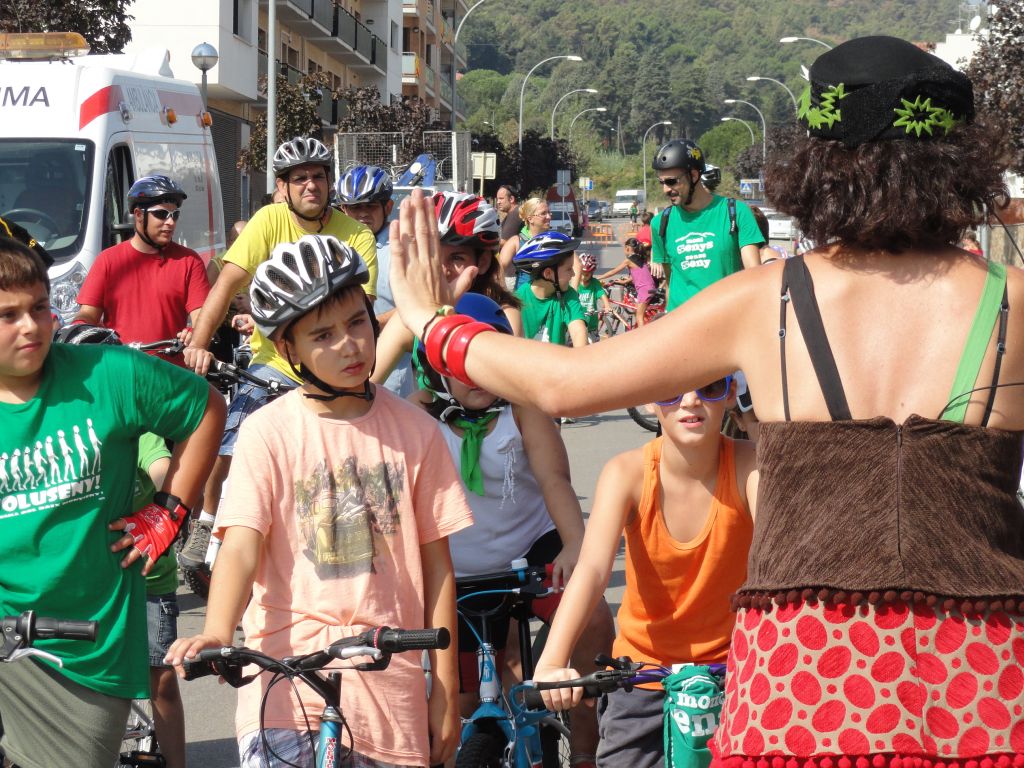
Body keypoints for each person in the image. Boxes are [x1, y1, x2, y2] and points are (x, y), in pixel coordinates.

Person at [386, 34, 1024, 768]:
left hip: (804, 683)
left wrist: (432, 324)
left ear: (819, 163)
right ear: (958, 161)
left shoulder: (771, 299)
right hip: (983, 680)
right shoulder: (1010, 303)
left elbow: (565, 382)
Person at [167, 234, 472, 768]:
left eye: (357, 323)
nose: (349, 345)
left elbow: (438, 568)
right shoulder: (267, 433)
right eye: (323, 335)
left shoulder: (419, 433)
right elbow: (240, 546)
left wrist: (445, 691)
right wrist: (216, 629)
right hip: (286, 685)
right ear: (289, 350)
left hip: (390, 685)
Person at [0, 238, 224, 768]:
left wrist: (168, 511)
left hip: (86, 649)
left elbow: (206, 409)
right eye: (7, 315)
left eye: (38, 307)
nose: (30, 326)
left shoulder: (109, 373)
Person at [411, 293, 614, 766]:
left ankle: (585, 752)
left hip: (532, 547)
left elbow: (554, 480)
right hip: (457, 570)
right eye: (459, 364)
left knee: (593, 620)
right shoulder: (417, 415)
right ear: (436, 369)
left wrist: (575, 545)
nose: (475, 375)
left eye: (482, 360)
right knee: (462, 703)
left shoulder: (522, 408)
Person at [176, 137, 377, 572]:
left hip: (335, 370)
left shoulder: (357, 234)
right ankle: (208, 520)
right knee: (232, 438)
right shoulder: (268, 220)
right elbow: (226, 284)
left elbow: (364, 311)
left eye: (318, 176)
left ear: (330, 182)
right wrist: (197, 345)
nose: (310, 185)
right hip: (275, 364)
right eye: (299, 178)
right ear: (283, 187)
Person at [533, 376, 756, 767]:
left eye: (710, 387)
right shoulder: (627, 473)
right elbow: (592, 569)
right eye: (671, 390)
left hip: (734, 674)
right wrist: (552, 660)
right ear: (650, 399)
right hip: (641, 676)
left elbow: (785, 562)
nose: (690, 400)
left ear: (731, 394)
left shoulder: (752, 466)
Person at [49, 324, 189, 768]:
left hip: (145, 576)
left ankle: (177, 762)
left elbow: (162, 465)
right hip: (85, 581)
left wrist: (168, 510)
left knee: (160, 679)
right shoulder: (62, 430)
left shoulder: (138, 429)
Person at [370, 191, 522, 386]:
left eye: (457, 258)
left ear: (483, 262)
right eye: (431, 255)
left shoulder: (504, 315)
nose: (441, 270)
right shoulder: (412, 316)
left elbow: (512, 384)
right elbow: (365, 388)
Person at [74, 175, 210, 364]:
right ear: (138, 215)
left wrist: (195, 333)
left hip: (171, 374)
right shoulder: (108, 260)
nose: (170, 222)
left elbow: (202, 317)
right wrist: (76, 330)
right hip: (121, 370)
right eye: (162, 214)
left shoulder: (189, 261)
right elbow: (88, 315)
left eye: (175, 215)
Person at [649, 139, 763, 310]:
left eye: (671, 181)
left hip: (724, 318)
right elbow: (670, 282)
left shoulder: (736, 212)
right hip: (682, 320)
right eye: (662, 182)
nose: (665, 189)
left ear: (694, 176)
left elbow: (754, 276)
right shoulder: (660, 223)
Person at [336, 164, 415, 397]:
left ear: (387, 207)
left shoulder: (402, 248)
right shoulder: (334, 247)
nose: (362, 213)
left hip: (392, 376)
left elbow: (416, 305)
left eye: (370, 206)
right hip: (339, 367)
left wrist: (374, 323)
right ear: (343, 209)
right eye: (355, 207)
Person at [512, 231, 587, 347]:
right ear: (548, 274)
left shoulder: (568, 295)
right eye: (569, 269)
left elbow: (578, 331)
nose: (573, 274)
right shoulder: (517, 301)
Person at [597, 238, 657, 326]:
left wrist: (598, 278)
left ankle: (643, 334)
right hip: (650, 287)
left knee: (639, 316)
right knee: (638, 311)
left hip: (644, 290)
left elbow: (613, 272)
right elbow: (639, 274)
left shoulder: (628, 261)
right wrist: (625, 281)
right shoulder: (640, 258)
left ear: (627, 248)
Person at [498, 196, 551, 290]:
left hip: (549, 297)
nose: (549, 217)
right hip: (523, 297)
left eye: (549, 212)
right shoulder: (516, 241)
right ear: (530, 219)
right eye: (543, 213)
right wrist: (505, 294)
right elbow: (498, 269)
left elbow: (576, 266)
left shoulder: (554, 239)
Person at [575, 253, 611, 341]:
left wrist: (607, 306)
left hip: (592, 325)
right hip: (577, 322)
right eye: (582, 274)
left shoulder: (595, 283)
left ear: (592, 273)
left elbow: (601, 294)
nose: (584, 277)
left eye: (587, 274)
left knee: (594, 345)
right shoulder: (575, 283)